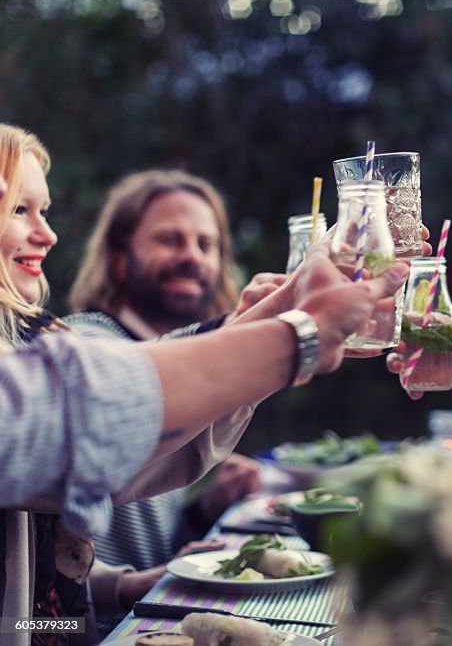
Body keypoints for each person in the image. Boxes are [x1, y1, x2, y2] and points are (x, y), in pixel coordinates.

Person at [0, 124, 409, 644]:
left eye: (45, 211)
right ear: (119, 255)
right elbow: (83, 428)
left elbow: (31, 589)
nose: (48, 234)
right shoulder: (75, 343)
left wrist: (126, 587)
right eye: (17, 208)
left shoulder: (29, 337)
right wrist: (294, 335)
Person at [64, 170, 267, 622]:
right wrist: (259, 336)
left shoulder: (186, 369)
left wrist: (205, 510)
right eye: (170, 240)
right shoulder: (85, 340)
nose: (191, 257)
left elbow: (153, 554)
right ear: (119, 259)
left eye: (205, 244)